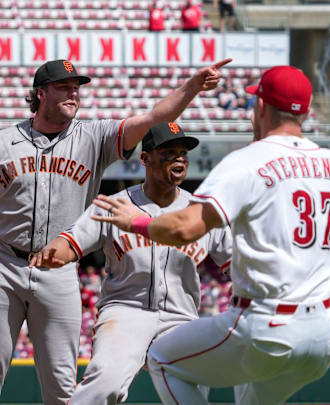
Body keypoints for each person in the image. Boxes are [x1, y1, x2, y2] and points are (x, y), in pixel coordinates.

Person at [0, 57, 230, 404]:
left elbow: (153, 119)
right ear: (40, 92)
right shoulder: (1, 142)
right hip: (3, 261)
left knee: (62, 385)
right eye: (64, 87)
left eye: (77, 88)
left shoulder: (94, 136)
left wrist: (192, 88)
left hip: (59, 273)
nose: (74, 93)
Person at [90, 66, 330, 405]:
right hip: (321, 334)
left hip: (266, 324)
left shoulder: (247, 162)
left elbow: (185, 227)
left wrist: (137, 222)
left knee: (162, 359)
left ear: (261, 106)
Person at [29, 122, 232, 404]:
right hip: (125, 312)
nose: (179, 158)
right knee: (105, 385)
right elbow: (71, 241)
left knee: (191, 393)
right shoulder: (115, 205)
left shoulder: (200, 211)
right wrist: (55, 251)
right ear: (145, 160)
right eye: (169, 152)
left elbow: (237, 264)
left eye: (183, 153)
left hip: (181, 317)